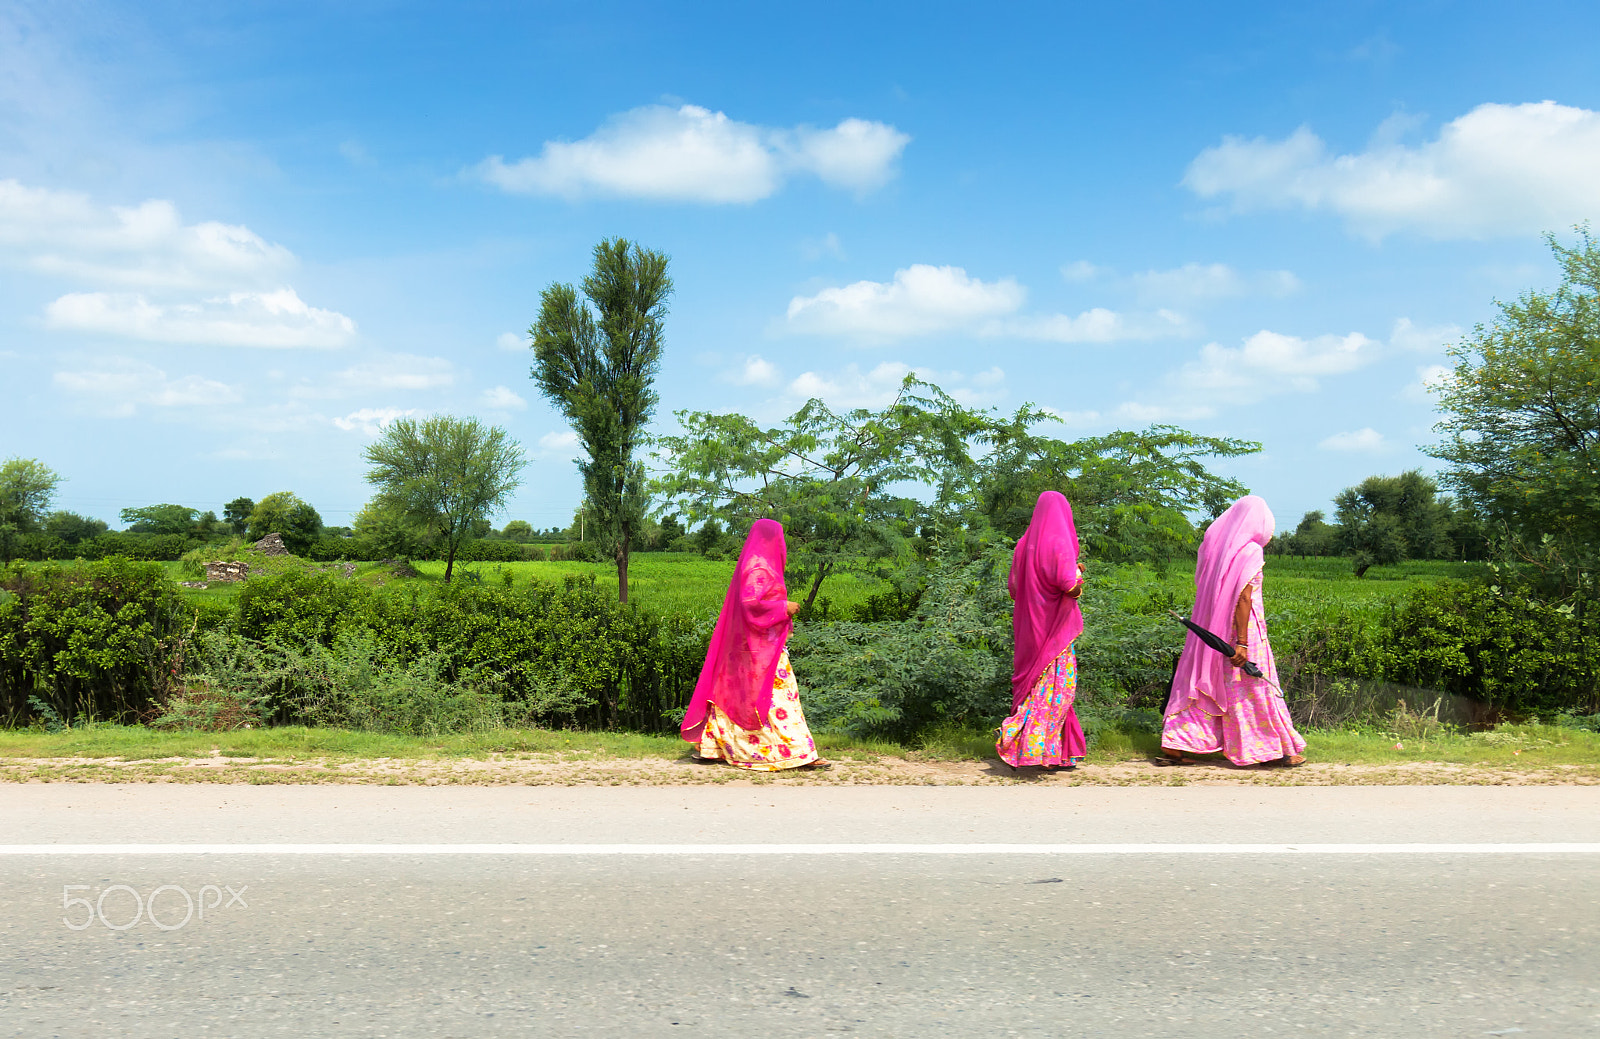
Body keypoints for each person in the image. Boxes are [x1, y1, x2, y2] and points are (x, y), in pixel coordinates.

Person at [1159, 495, 1307, 768]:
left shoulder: (1215, 551)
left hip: (1209, 634)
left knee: (1201, 684)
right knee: (1252, 687)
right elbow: (1243, 598)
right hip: (1242, 632)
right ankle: (1271, 750)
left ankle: (1178, 744)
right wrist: (1243, 643)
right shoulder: (1250, 551)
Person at [681, 518, 828, 770]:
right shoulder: (758, 567)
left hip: (754, 646)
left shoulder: (758, 564)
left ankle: (713, 748)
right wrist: (784, 608)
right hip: (759, 649)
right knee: (780, 697)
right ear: (772, 539)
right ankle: (797, 753)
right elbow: (751, 604)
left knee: (738, 695)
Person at [997, 491, 1088, 770]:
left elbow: (1014, 589)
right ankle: (1022, 745)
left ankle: (1056, 753)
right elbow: (1068, 584)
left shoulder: (1024, 544)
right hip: (1054, 632)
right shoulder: (1059, 541)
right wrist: (1078, 575)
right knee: (1058, 689)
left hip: (1028, 628)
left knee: (1036, 688)